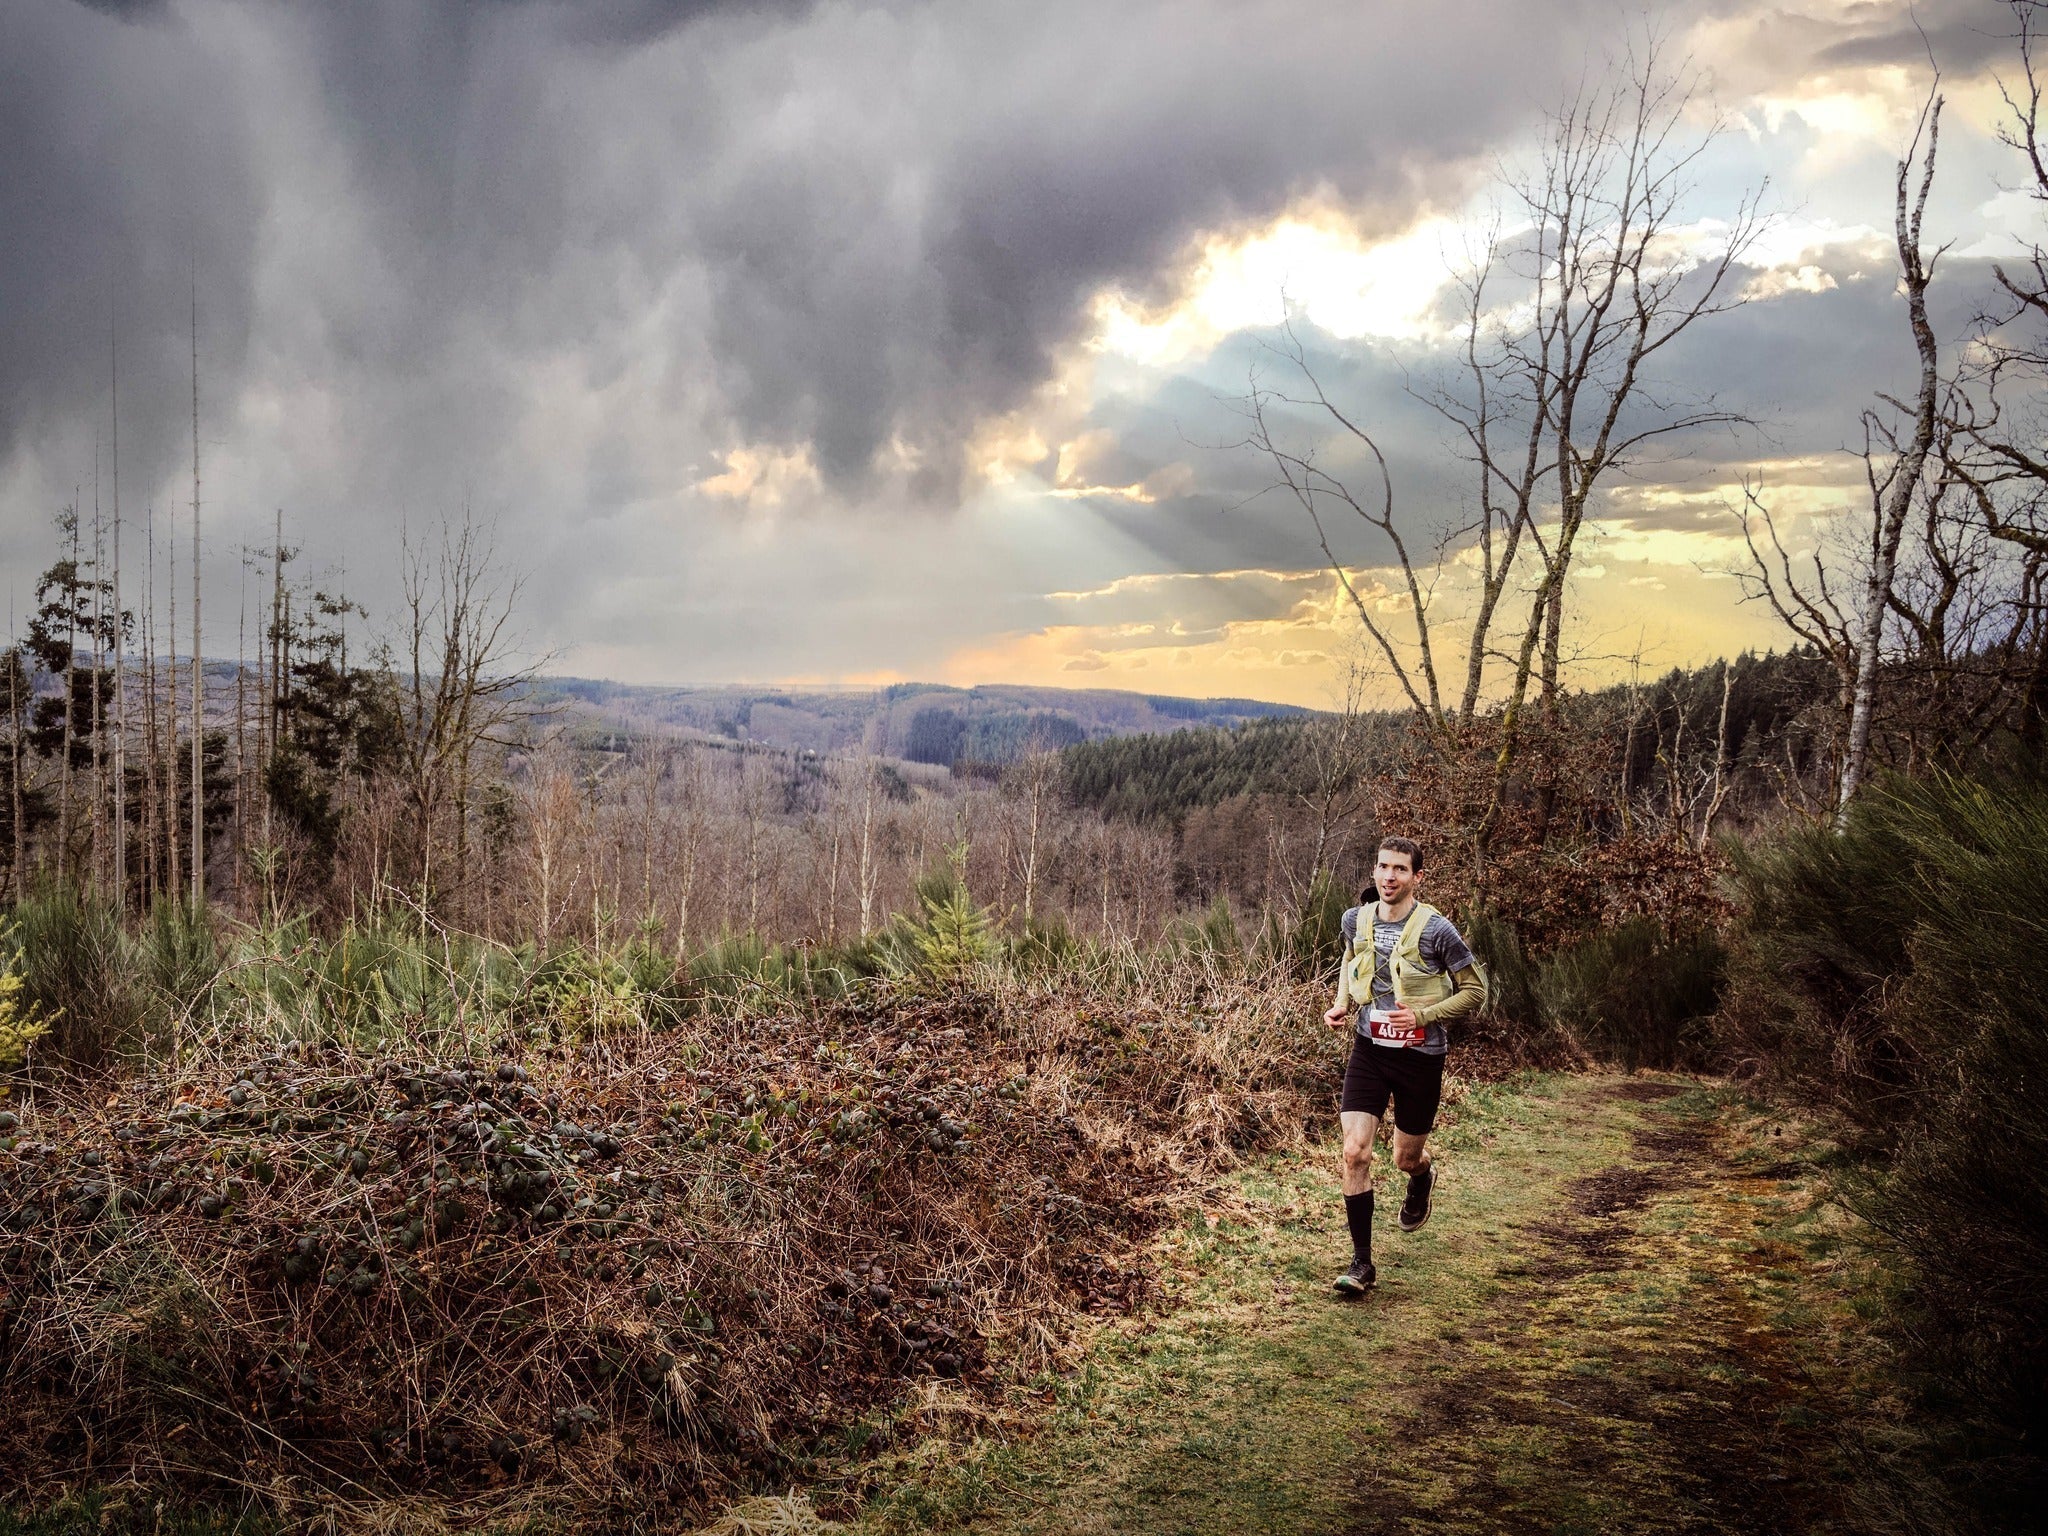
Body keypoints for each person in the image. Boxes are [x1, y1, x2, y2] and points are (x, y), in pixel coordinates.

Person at [1322, 836, 1485, 1295]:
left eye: (1399, 869)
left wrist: (1423, 1016)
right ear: (1373, 871)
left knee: (1403, 1156)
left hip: (1420, 1058)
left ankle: (1421, 1175)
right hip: (1369, 1051)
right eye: (1382, 867)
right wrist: (1340, 1004)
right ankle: (1361, 1265)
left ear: (1417, 877)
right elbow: (1351, 958)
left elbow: (1476, 990)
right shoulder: (1355, 918)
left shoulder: (1438, 930)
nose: (1389, 876)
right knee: (1354, 1152)